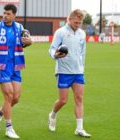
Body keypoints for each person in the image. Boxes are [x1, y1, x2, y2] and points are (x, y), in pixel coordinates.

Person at [0, 4, 32, 139]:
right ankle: (9, 128)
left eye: (8, 14)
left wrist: (29, 41)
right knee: (9, 96)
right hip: (2, 66)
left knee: (16, 98)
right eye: (4, 13)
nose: (5, 16)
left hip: (16, 65)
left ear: (14, 15)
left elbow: (25, 43)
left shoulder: (21, 28)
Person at [48, 9, 91, 138]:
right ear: (70, 19)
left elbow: (83, 52)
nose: (78, 24)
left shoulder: (82, 34)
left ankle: (79, 128)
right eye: (76, 22)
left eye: (80, 22)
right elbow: (51, 49)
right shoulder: (60, 32)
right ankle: (53, 115)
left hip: (78, 72)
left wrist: (82, 68)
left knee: (79, 99)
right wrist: (55, 55)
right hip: (63, 71)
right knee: (63, 100)